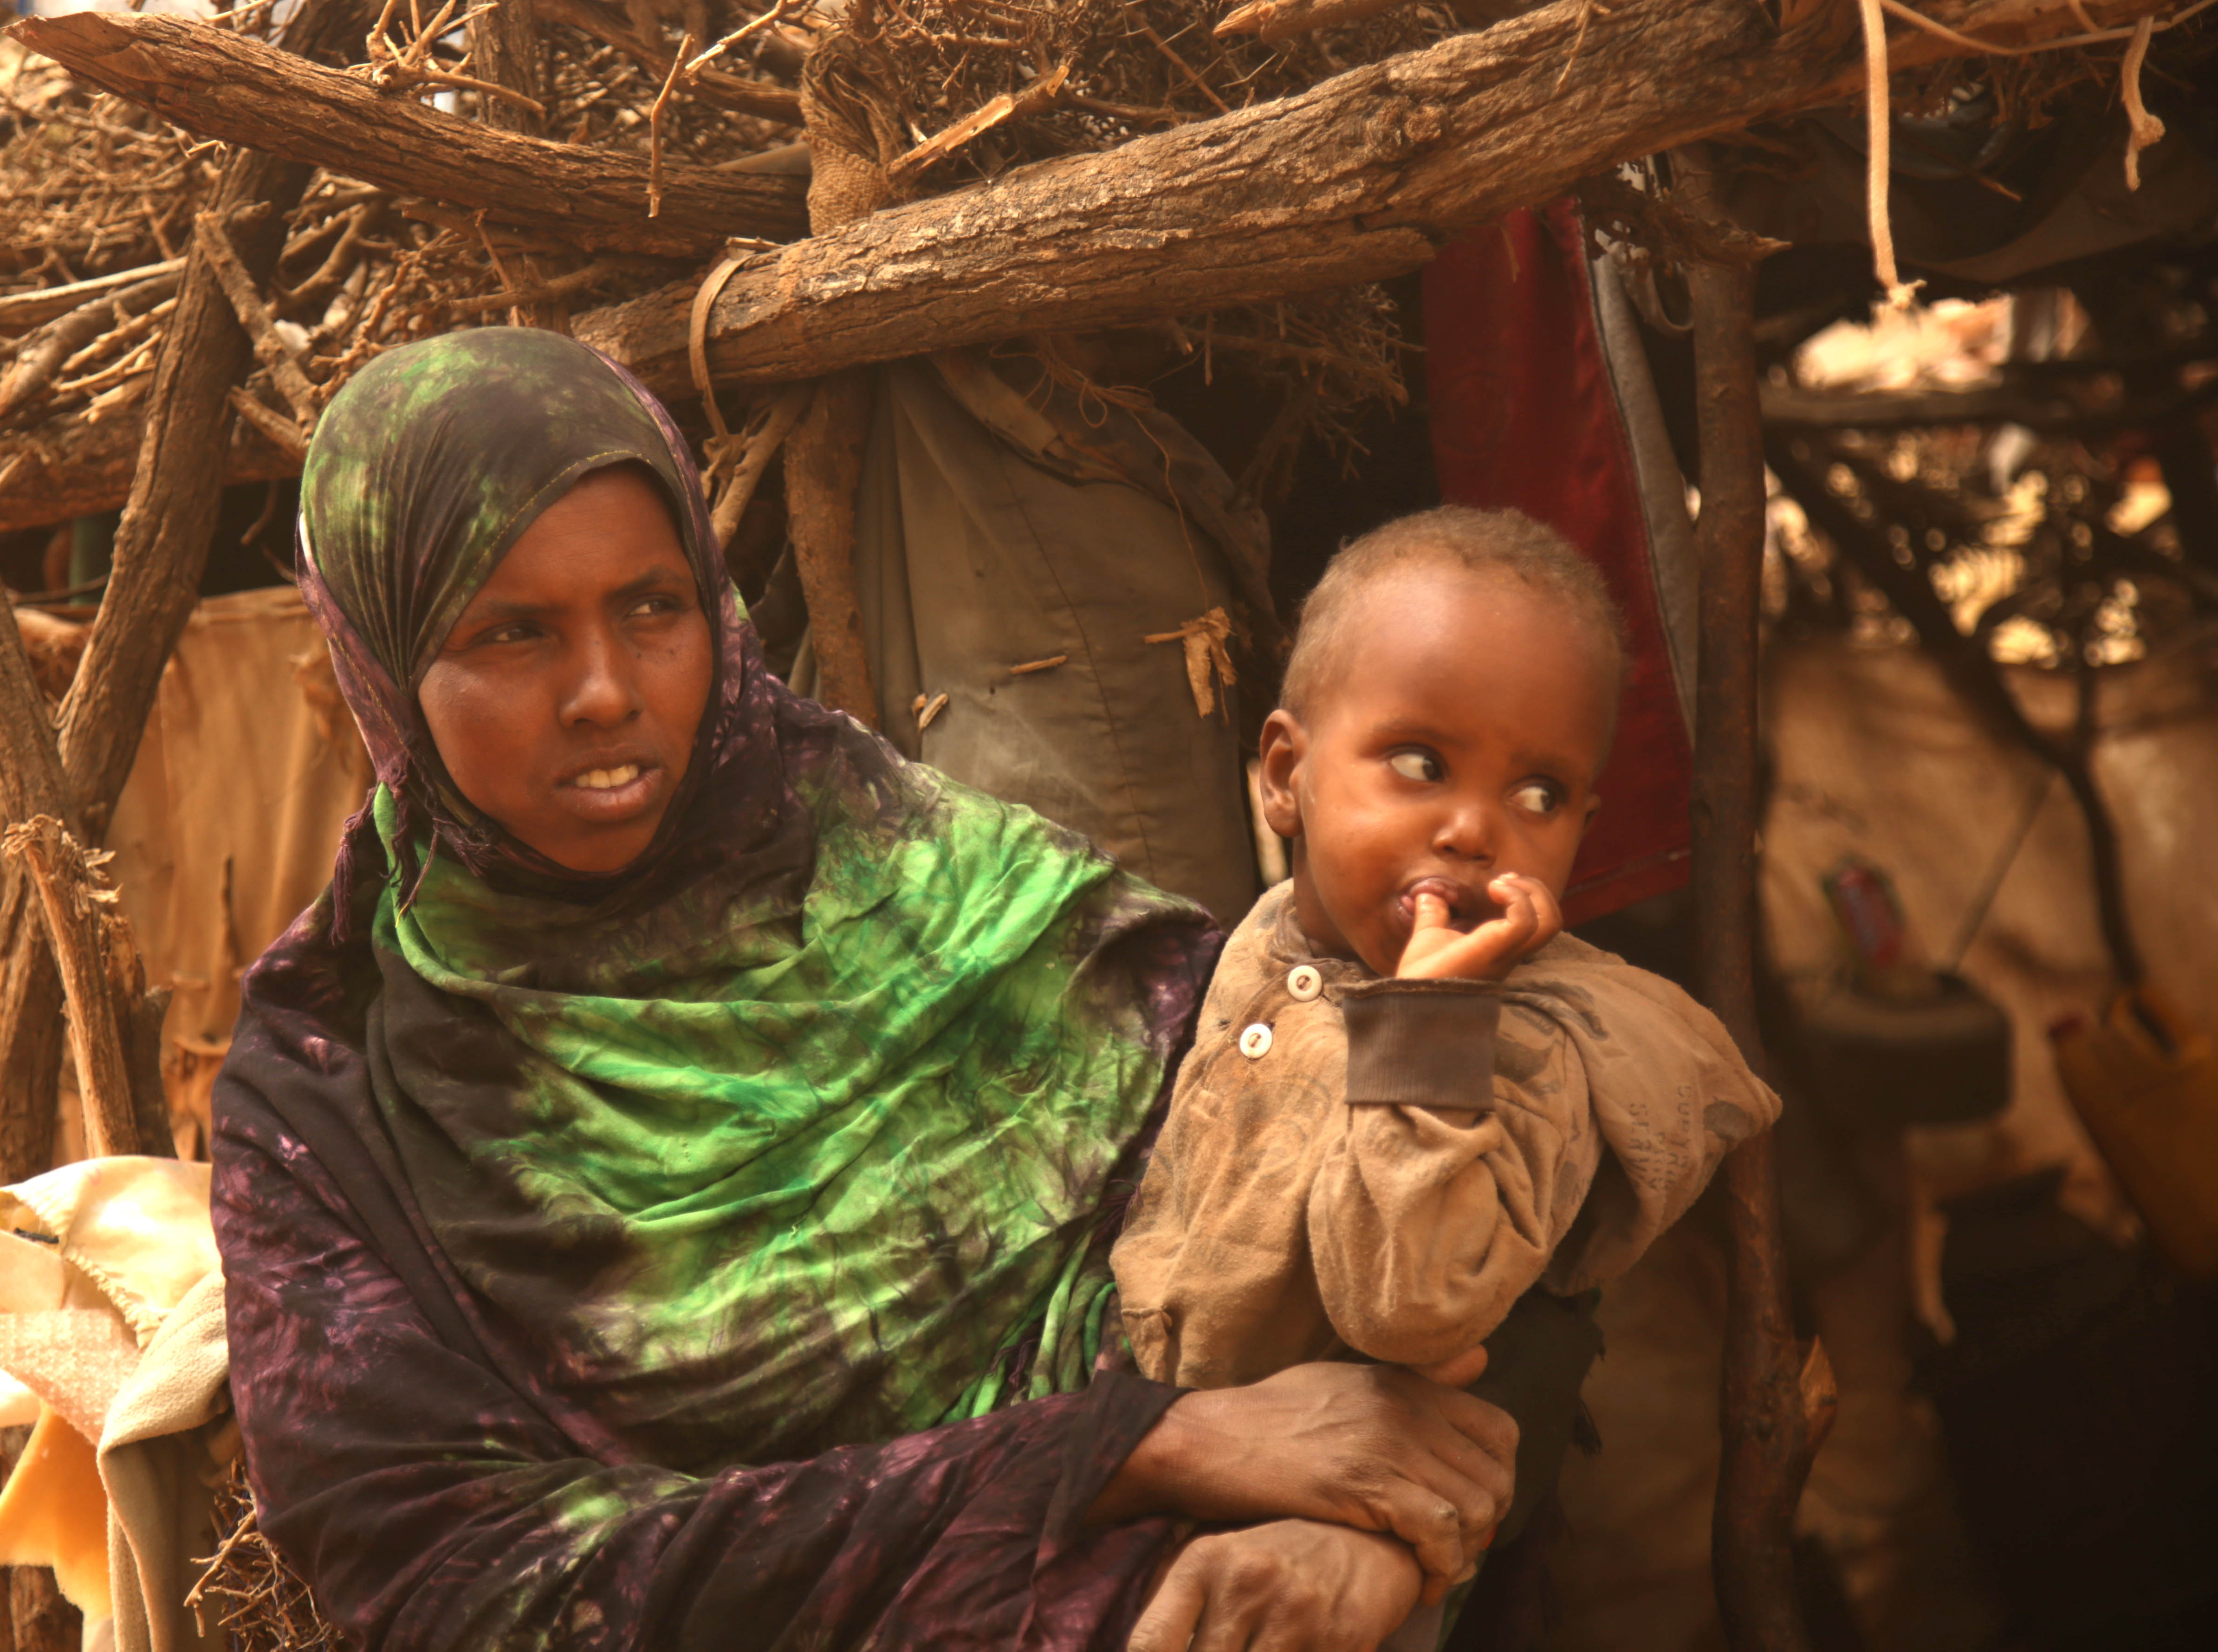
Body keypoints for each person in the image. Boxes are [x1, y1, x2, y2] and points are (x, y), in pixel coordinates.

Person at [210, 328, 1523, 1652]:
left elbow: (1326, 1184)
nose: (606, 692)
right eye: (512, 633)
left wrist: (1343, 1531)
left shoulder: (943, 884)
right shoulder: (329, 1088)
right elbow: (454, 1591)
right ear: (384, 667)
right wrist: (1127, 1450)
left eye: (653, 608)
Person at [1110, 509, 1781, 1608]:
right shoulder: (1272, 935)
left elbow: (1406, 1308)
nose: (1476, 830)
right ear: (1287, 775)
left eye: (1540, 796)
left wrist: (1429, 1023)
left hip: (1354, 1557)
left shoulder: (1531, 1046)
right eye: (1421, 763)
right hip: (1170, 1476)